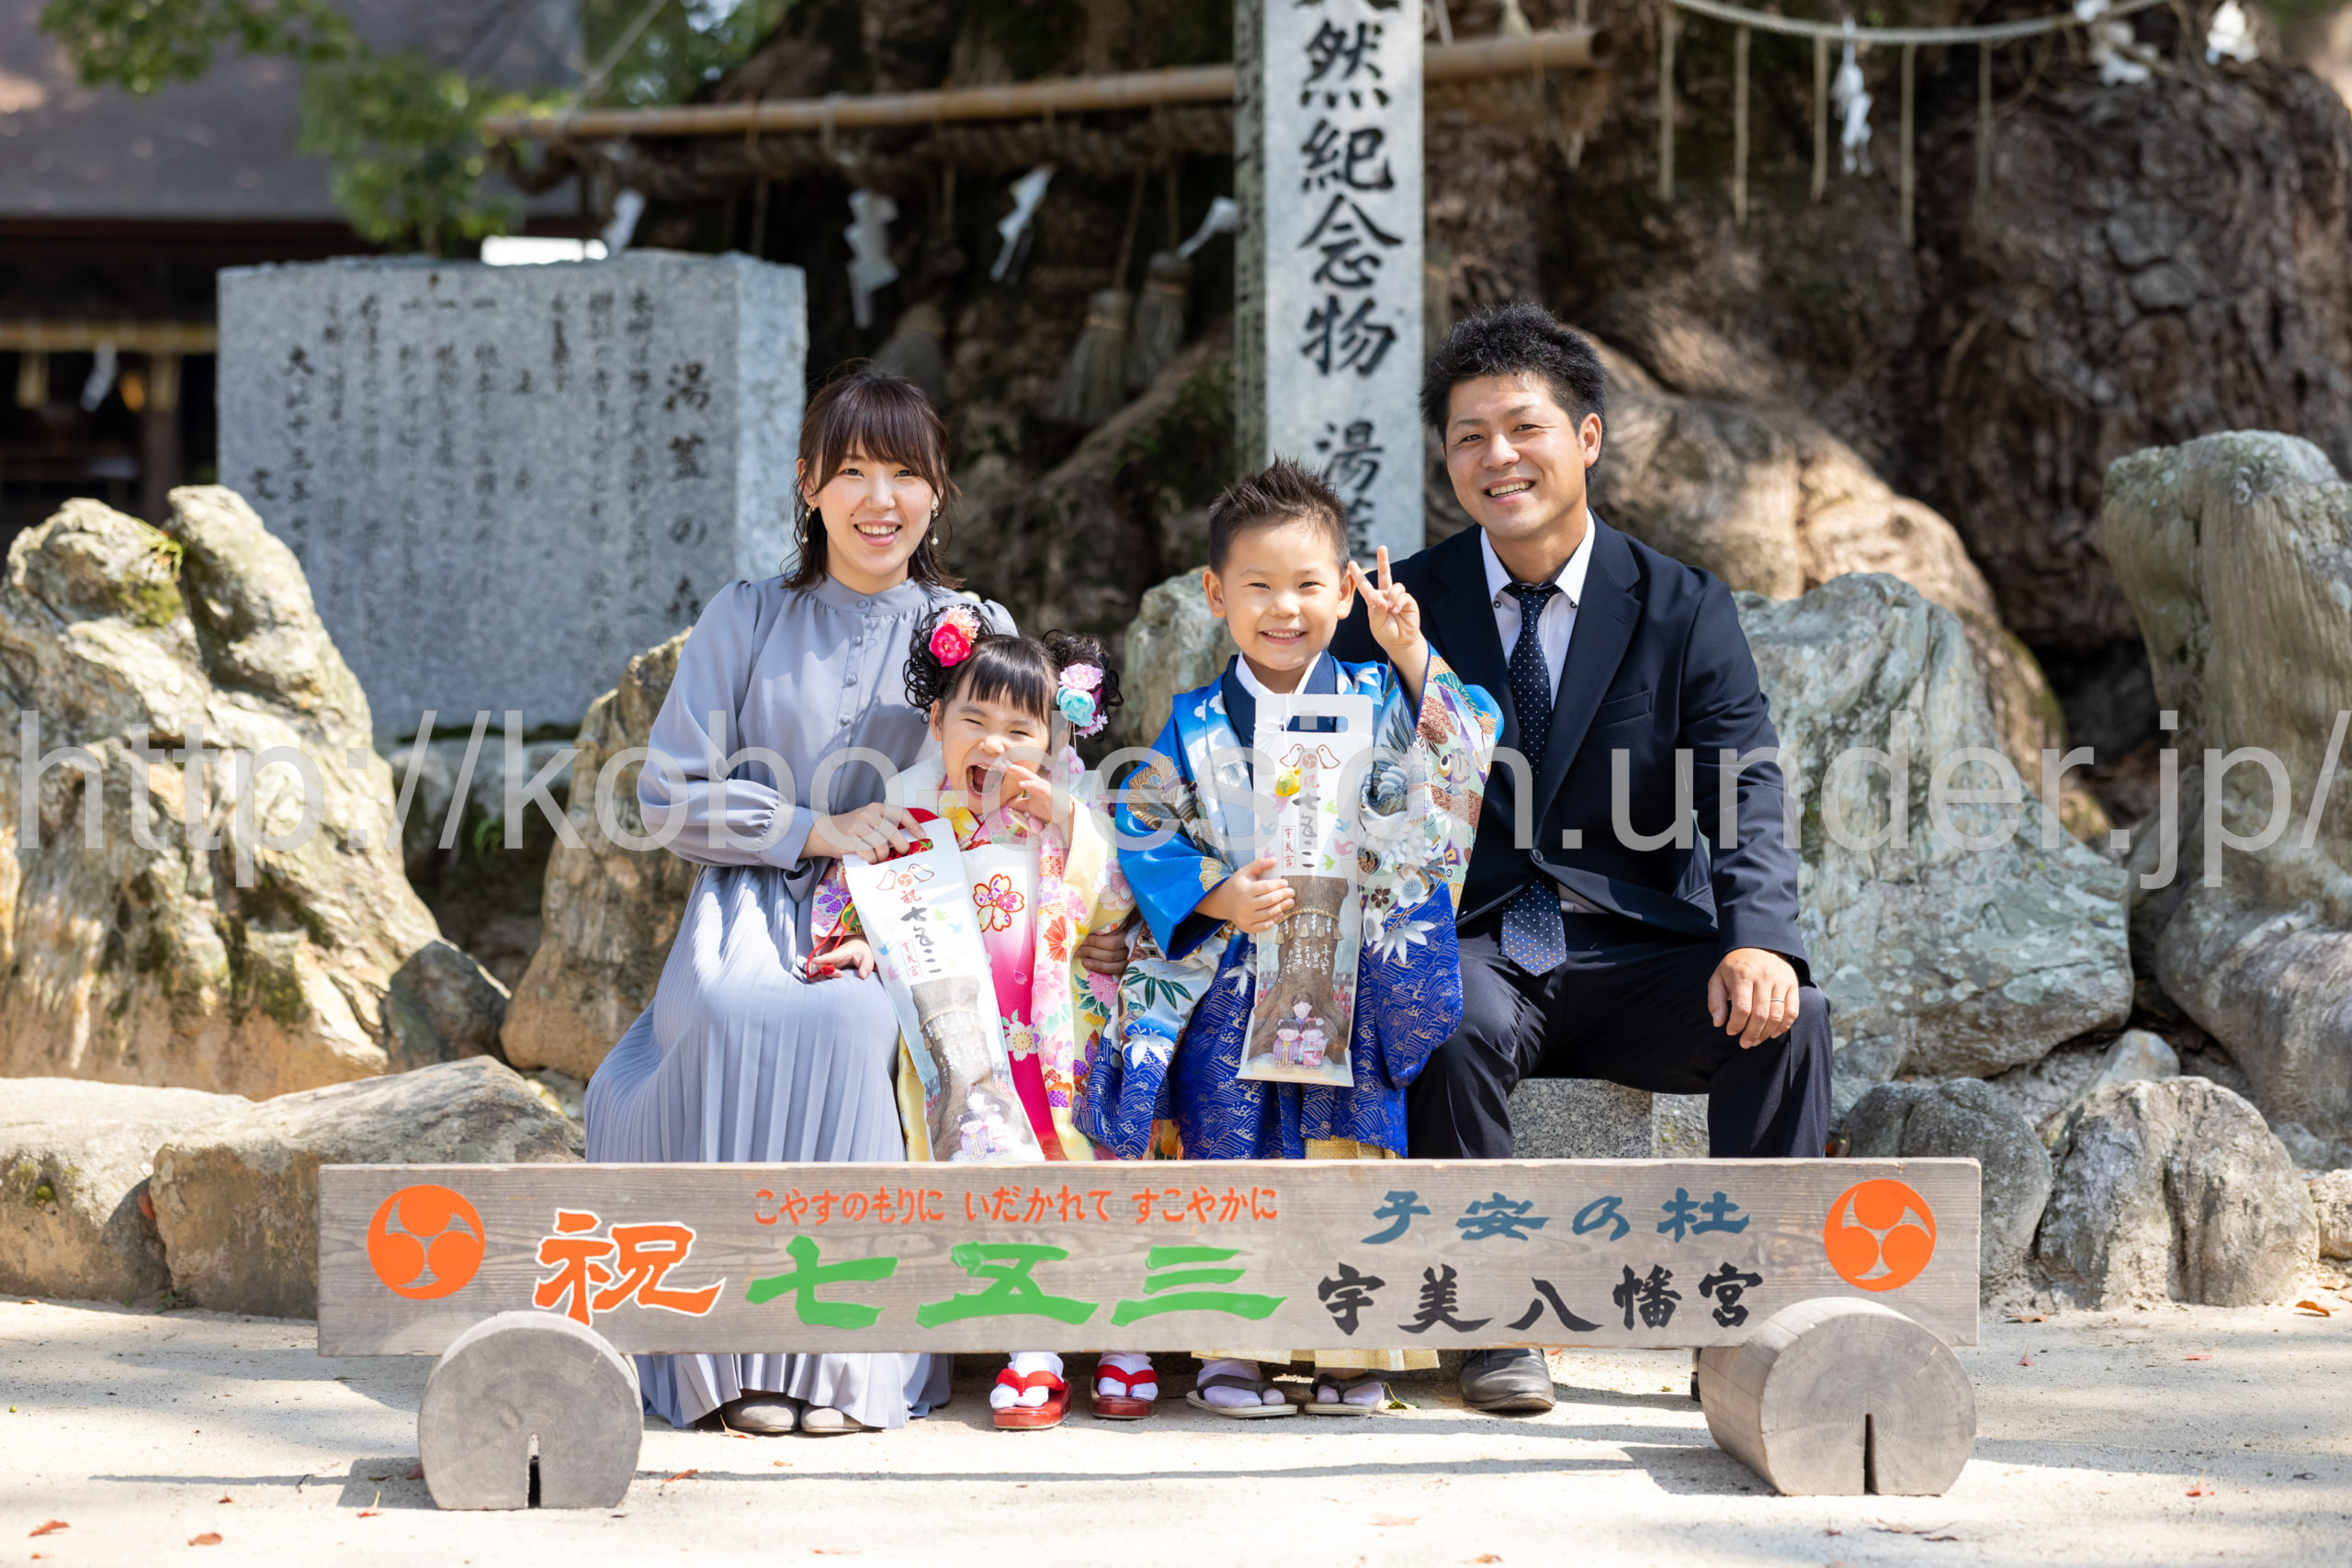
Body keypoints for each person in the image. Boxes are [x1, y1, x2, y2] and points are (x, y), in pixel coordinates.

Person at [582, 368, 1125, 1438]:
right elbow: (665, 793)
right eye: (853, 473)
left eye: (906, 475)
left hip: (922, 918)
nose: (881, 500)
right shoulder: (746, 616)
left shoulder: (971, 624)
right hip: (754, 901)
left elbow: (1023, 785)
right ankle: (724, 1359)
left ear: (938, 491)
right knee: (734, 1012)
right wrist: (813, 829)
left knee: (856, 1025)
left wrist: (1052, 860)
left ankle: (839, 1365)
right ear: (809, 487)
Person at [1330, 301, 1833, 1417]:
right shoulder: (1399, 609)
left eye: (1523, 428)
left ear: (1587, 438)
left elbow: (1742, 784)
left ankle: (1754, 1330)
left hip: (1633, 942)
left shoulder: (1680, 606)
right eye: (1468, 437)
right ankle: (1495, 1330)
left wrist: (1760, 941)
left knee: (1791, 1020)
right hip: (1476, 941)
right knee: (1441, 1014)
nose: (1497, 457)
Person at [1084, 459, 1499, 1418]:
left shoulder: (1378, 692)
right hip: (1235, 966)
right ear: (1215, 594)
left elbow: (1466, 747)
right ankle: (1234, 1346)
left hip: (1349, 961)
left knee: (1346, 1143)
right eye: (1259, 586)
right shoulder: (1194, 721)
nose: (1284, 608)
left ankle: (1352, 1349)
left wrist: (1410, 651)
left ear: (1346, 590)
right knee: (1230, 1133)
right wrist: (1217, 894)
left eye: (1309, 584)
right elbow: (1143, 822)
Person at [807, 608, 1152, 1429]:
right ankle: (1033, 1344)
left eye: (1020, 729)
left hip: (1059, 1024)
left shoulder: (1067, 812)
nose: (995, 744)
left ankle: (1126, 1333)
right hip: (968, 1030)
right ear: (936, 722)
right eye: (975, 719)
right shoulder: (908, 803)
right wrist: (857, 939)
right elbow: (857, 886)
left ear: (1053, 740)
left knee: (1088, 1158)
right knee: (998, 1166)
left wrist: (1069, 821)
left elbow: (1113, 909)